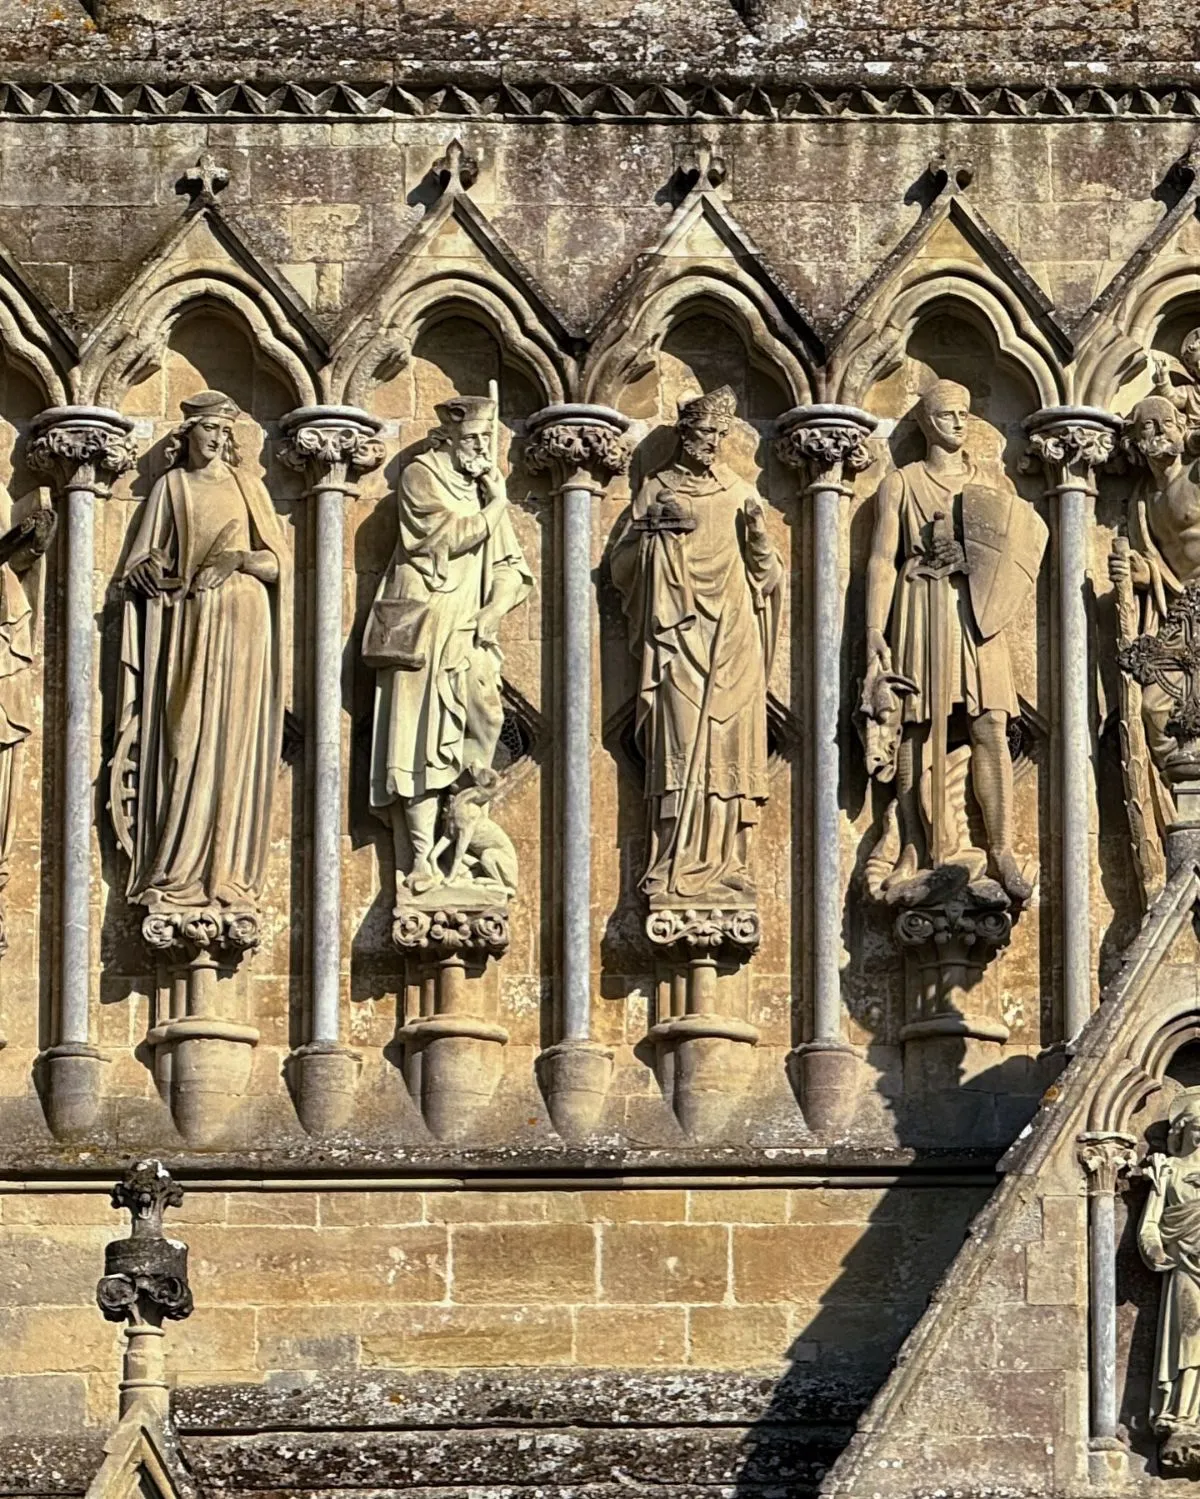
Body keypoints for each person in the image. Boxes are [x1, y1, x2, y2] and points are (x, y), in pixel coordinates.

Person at [864, 380, 1046, 903]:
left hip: (977, 614)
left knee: (990, 723)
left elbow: (1015, 553)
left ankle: (1002, 848)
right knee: (918, 727)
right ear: (925, 422)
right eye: (947, 415)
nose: (959, 423)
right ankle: (916, 847)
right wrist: (874, 632)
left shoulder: (989, 491)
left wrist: (970, 558)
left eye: (966, 413)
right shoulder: (901, 483)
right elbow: (881, 559)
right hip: (921, 605)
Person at [112, 390, 287, 913]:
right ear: (186, 436)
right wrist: (146, 572)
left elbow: (276, 565)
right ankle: (178, 865)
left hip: (242, 627)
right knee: (183, 740)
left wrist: (236, 559)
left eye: (222, 431)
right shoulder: (172, 487)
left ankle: (225, 870)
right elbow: (137, 564)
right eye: (206, 429)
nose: (215, 438)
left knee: (233, 745)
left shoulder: (246, 486)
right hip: (187, 628)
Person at [610, 385, 782, 904]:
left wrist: (756, 536)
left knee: (729, 749)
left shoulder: (738, 493)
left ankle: (727, 862)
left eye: (717, 433)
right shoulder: (657, 489)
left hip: (733, 637)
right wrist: (652, 537)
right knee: (680, 745)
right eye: (702, 432)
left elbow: (769, 576)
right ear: (684, 435)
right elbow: (619, 571)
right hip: (678, 639)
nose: (710, 441)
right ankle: (674, 861)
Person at [368, 395, 532, 899]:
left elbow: (510, 568)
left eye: (487, 440)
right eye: (474, 440)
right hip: (426, 627)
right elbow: (443, 537)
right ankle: (422, 860)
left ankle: (459, 836)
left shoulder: (484, 493)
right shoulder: (422, 475)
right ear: (449, 439)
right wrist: (497, 502)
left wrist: (493, 611)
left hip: (469, 632)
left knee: (483, 722)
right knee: (418, 738)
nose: (482, 449)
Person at [1140, 1089, 1200, 1436]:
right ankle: (1180, 1413)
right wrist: (1156, 1252)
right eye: (1197, 1128)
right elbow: (1151, 1223)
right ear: (1182, 1130)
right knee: (1188, 1338)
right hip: (1185, 1266)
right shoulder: (1169, 1171)